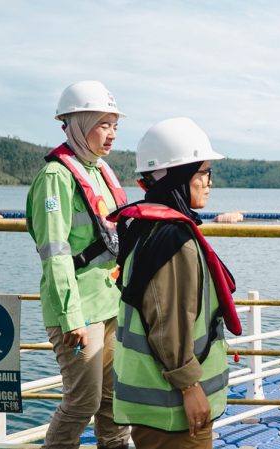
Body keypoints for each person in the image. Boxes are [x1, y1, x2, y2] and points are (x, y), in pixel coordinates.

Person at [108, 117, 242, 449]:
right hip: (173, 411)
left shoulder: (146, 229)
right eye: (203, 173)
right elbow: (168, 324)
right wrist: (189, 387)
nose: (210, 182)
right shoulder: (174, 240)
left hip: (158, 407)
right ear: (179, 178)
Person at [26, 80, 130, 449]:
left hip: (110, 303)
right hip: (79, 311)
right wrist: (71, 318)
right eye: (103, 124)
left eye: (115, 125)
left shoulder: (100, 172)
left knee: (115, 403)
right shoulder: (56, 178)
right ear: (77, 123)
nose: (112, 134)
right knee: (82, 402)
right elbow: (54, 253)